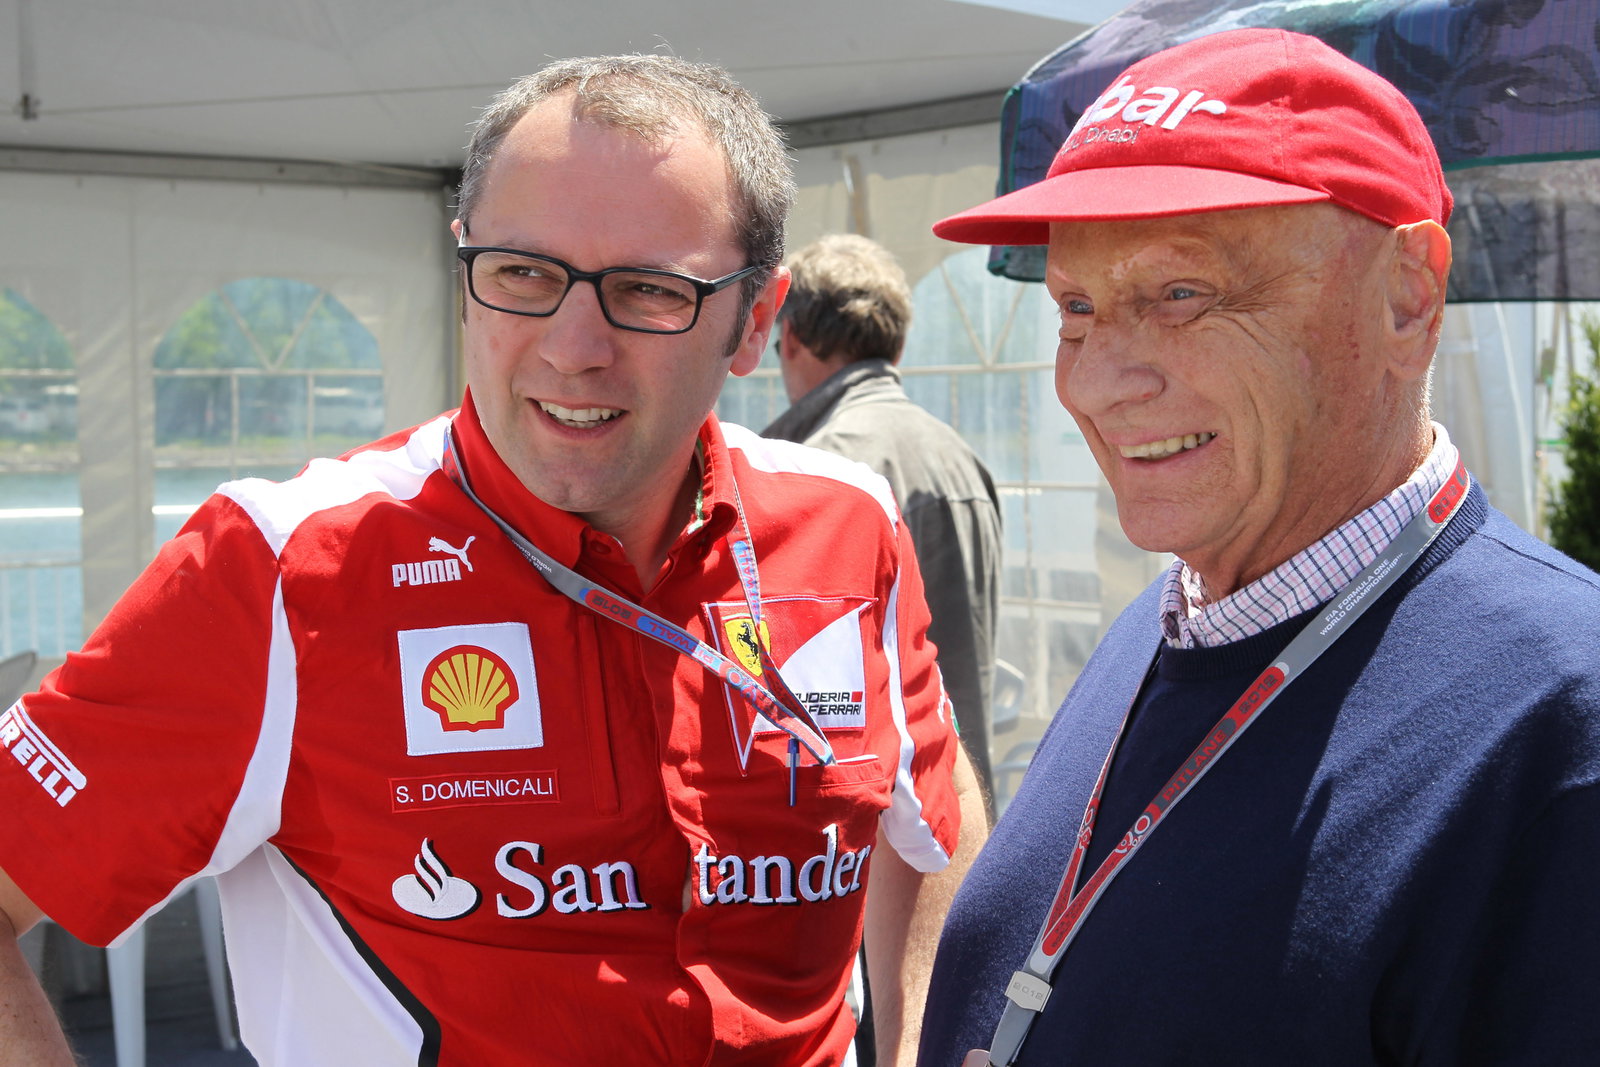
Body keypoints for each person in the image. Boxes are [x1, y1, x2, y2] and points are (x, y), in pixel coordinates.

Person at [0, 54, 985, 1067]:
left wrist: (920, 1036)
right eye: (524, 273)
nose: (572, 345)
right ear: (465, 271)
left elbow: (928, 786)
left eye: (648, 291)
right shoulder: (285, 567)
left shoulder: (846, 519)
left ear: (756, 322)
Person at [916, 28, 1600, 1067]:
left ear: (1406, 292)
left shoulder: (1562, 716)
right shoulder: (1160, 626)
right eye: (1075, 308)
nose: (1098, 382)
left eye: (1180, 293)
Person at [763, 234, 1002, 802]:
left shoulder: (821, 469)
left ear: (790, 337)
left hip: (870, 818)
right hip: (954, 794)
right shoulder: (958, 454)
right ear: (896, 347)